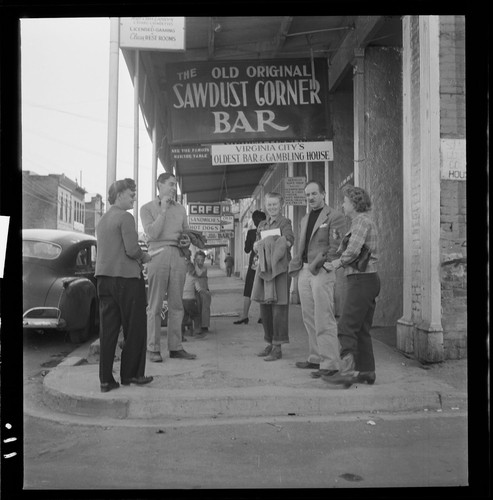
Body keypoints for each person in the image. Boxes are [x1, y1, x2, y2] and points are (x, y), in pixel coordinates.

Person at [95, 178, 153, 393]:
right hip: (127, 280)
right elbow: (131, 250)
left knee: (108, 331)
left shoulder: (103, 220)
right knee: (135, 327)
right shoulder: (125, 217)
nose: (134, 198)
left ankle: (105, 380)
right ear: (119, 195)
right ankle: (132, 374)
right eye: (131, 194)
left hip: (103, 279)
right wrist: (144, 256)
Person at [322, 186, 380, 387]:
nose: (342, 205)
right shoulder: (358, 222)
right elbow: (351, 247)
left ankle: (346, 372)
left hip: (361, 280)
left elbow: (354, 251)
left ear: (354, 204)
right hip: (367, 279)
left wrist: (336, 264)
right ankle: (366, 371)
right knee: (362, 327)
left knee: (346, 326)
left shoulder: (361, 222)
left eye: (345, 201)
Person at [288, 180, 347, 378]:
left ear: (323, 194)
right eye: (307, 195)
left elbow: (336, 246)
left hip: (321, 271)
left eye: (314, 194)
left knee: (324, 316)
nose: (310, 198)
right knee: (309, 316)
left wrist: (319, 265)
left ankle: (330, 363)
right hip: (304, 271)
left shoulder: (335, 216)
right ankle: (316, 358)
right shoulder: (305, 219)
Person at [140, 172, 197, 363]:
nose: (174, 188)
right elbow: (153, 234)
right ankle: (153, 348)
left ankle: (175, 347)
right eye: (171, 184)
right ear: (160, 185)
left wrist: (186, 240)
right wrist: (163, 210)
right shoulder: (146, 209)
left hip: (178, 255)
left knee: (176, 305)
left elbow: (186, 233)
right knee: (155, 304)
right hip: (157, 254)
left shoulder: (181, 209)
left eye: (175, 185)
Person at [251, 193, 294, 361]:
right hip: (263, 269)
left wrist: (272, 243)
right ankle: (269, 342)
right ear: (265, 205)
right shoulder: (262, 224)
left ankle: (278, 346)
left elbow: (289, 240)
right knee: (265, 307)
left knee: (279, 307)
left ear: (281, 205)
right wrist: (257, 246)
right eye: (269, 204)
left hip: (280, 270)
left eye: (275, 204)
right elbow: (256, 244)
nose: (272, 207)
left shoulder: (285, 222)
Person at [233, 209, 266, 325]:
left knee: (248, 290)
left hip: (253, 265)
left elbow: (246, 250)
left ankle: (245, 315)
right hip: (265, 264)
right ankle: (262, 316)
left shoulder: (251, 233)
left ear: (253, 221)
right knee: (263, 288)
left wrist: (251, 243)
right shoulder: (269, 232)